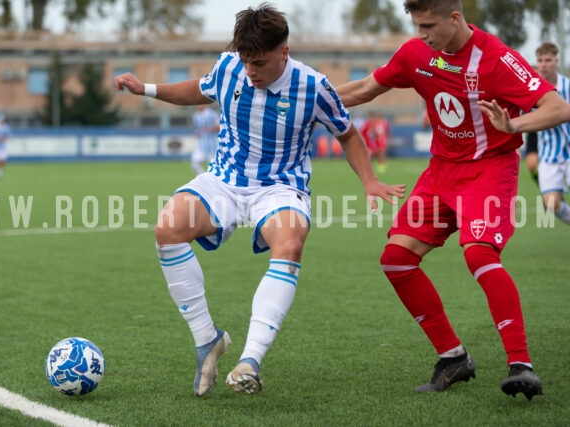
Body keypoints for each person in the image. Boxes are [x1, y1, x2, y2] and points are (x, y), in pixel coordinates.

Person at [115, 3, 406, 397]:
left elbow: (348, 134)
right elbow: (199, 90)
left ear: (283, 52)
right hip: (224, 181)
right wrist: (145, 89)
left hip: (280, 188)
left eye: (259, 63)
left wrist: (369, 180)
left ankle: (249, 361)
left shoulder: (313, 86)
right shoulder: (230, 66)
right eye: (246, 61)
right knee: (167, 228)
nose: (250, 71)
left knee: (289, 243)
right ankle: (207, 341)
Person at [337, 0, 570, 400]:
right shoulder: (415, 53)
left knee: (479, 255)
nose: (420, 34)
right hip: (442, 172)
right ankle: (453, 357)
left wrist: (513, 123)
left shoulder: (497, 58)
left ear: (455, 18)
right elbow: (363, 89)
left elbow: (558, 107)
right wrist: (308, 101)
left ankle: (521, 365)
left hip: (490, 170)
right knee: (395, 259)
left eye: (428, 25)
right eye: (416, 25)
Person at [531, 42, 570, 224]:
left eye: (548, 60)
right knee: (552, 203)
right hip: (548, 155)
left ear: (556, 61)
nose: (544, 64)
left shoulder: (568, 87)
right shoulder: (531, 90)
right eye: (540, 60)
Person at [191, 104, 219, 175]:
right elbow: (198, 129)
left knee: (214, 167)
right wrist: (197, 133)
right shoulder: (196, 116)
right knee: (195, 163)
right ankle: (203, 177)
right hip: (202, 145)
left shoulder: (212, 114)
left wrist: (210, 129)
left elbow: (219, 127)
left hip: (212, 145)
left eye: (200, 103)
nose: (198, 105)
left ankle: (214, 181)